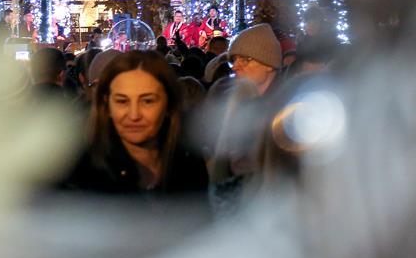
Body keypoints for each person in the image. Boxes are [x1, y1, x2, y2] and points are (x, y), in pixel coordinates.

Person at [65, 51, 207, 196]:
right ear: (107, 106)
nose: (134, 115)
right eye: (122, 101)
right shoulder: (82, 173)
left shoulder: (189, 162)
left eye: (147, 101)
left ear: (169, 105)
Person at [208, 23, 283, 213]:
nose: (237, 66)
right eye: (234, 60)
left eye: (246, 59)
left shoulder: (285, 109)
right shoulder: (228, 100)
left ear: (269, 64)